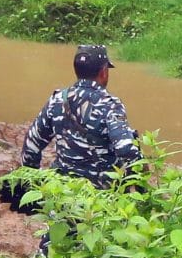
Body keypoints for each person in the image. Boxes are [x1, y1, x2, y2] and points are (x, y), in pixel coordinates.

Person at [20, 44, 141, 190]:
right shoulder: (111, 105)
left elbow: (31, 144)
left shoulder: (57, 99)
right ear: (103, 72)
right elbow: (126, 150)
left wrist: (32, 185)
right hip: (101, 197)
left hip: (61, 192)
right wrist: (141, 190)